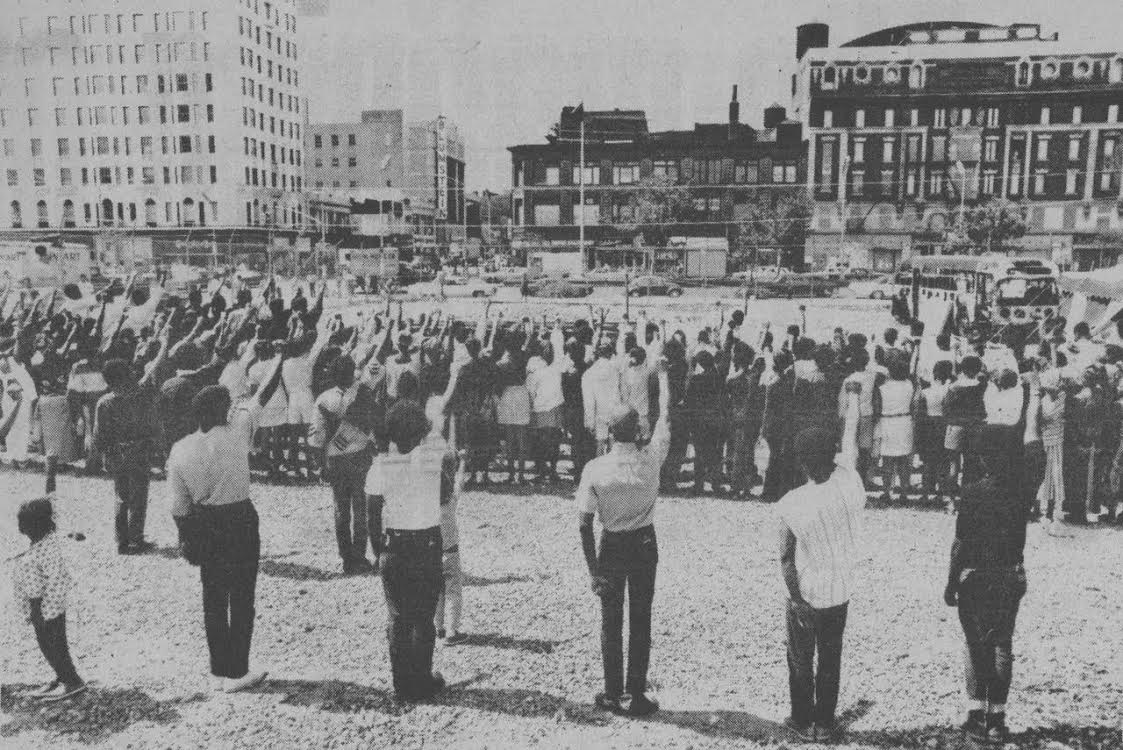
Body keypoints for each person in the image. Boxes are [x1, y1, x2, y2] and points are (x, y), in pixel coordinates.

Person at [167, 354, 284, 694]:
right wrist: (281, 357)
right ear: (223, 410)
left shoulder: (181, 448)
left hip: (205, 520)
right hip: (239, 518)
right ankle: (238, 670)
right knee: (243, 594)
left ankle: (219, 668)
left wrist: (186, 538)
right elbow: (264, 392)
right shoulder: (237, 433)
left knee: (213, 595)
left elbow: (178, 506)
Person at [576, 360, 670, 717]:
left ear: (609, 432)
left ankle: (613, 691)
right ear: (638, 430)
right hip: (644, 541)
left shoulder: (595, 469)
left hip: (612, 543)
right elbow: (666, 421)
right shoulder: (651, 461)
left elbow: (584, 523)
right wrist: (663, 381)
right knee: (641, 618)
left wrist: (593, 570)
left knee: (610, 619)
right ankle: (637, 693)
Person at [775, 382, 862, 742]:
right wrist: (853, 403)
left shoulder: (792, 503)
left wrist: (795, 598)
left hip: (807, 590)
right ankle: (825, 723)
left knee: (800, 657)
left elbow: (785, 558)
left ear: (800, 462)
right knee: (830, 656)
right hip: (840, 587)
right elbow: (850, 444)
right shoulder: (850, 483)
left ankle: (800, 717)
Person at [366, 396, 455, 701]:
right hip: (427, 542)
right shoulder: (431, 458)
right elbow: (445, 493)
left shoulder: (382, 465)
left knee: (397, 617)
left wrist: (379, 549)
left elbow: (371, 510)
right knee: (423, 616)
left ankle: (401, 682)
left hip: (395, 543)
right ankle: (423, 678)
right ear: (420, 432)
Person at [944, 426, 1028, 744]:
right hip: (1009, 572)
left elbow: (960, 544)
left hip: (975, 574)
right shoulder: (1020, 494)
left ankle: (976, 711)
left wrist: (950, 582)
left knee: (975, 643)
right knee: (1002, 643)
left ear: (982, 457)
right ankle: (998, 717)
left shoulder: (973, 492)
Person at [309, 355, 381, 574]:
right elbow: (375, 425)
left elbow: (316, 438)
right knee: (361, 509)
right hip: (360, 458)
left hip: (336, 460)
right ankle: (359, 556)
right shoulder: (364, 393)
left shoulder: (324, 399)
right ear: (352, 372)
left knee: (341, 510)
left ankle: (347, 557)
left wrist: (320, 465)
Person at [12, 497, 87, 701]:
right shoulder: (50, 540)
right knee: (59, 643)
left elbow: (35, 591)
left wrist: (35, 613)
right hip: (56, 602)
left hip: (44, 608)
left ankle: (72, 681)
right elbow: (66, 533)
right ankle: (63, 676)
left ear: (29, 526)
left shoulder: (33, 557)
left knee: (49, 645)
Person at [94, 358, 160, 554]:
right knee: (139, 496)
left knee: (121, 495)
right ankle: (136, 539)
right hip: (139, 452)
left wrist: (106, 455)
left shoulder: (104, 403)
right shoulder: (140, 398)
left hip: (115, 454)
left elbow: (99, 436)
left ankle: (122, 541)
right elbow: (152, 426)